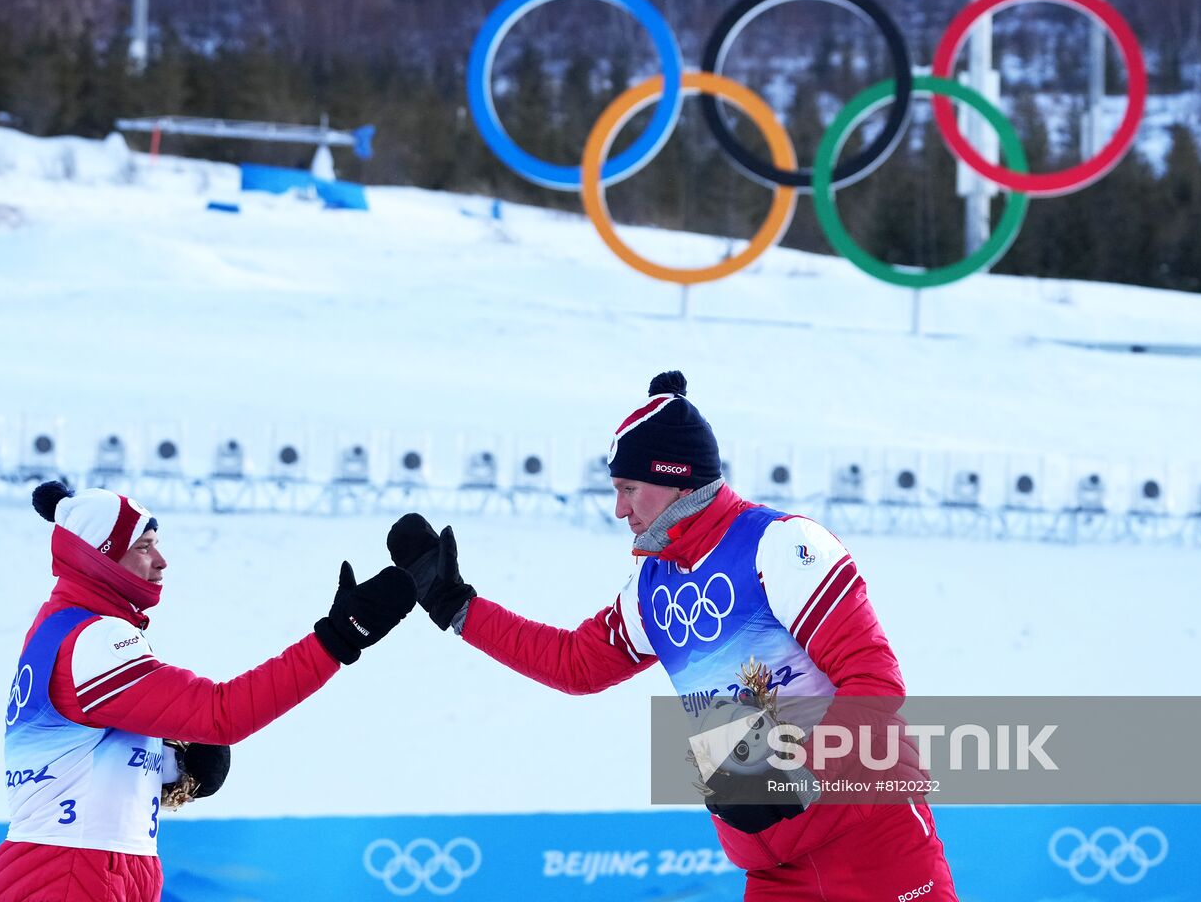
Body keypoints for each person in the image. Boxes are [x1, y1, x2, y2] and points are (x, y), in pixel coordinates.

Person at [387, 371, 958, 901]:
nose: (619, 510)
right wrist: (458, 607)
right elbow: (576, 664)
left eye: (630, 489)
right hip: (772, 863)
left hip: (869, 835)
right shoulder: (650, 584)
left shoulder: (779, 545)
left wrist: (795, 771)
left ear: (675, 477)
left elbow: (874, 681)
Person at [0, 481, 415, 902]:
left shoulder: (69, 628)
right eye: (143, 547)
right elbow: (221, 714)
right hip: (72, 871)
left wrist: (178, 767)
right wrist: (336, 639)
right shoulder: (94, 639)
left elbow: (78, 756)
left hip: (91, 863)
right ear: (98, 558)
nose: (161, 560)